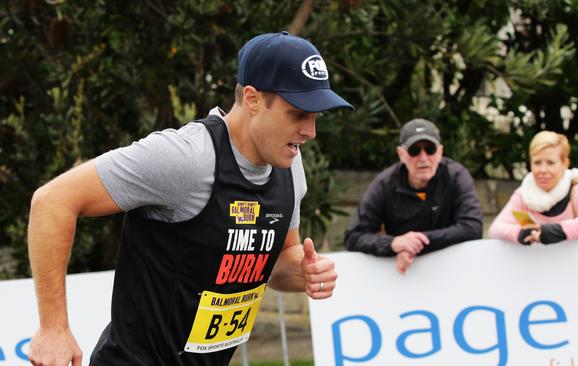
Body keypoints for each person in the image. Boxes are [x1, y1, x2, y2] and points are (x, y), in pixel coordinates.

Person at [27, 31, 353, 366]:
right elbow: (52, 201)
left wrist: (303, 272)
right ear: (253, 99)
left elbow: (280, 258)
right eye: (298, 114)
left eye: (317, 116)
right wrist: (53, 328)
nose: (311, 131)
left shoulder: (288, 162)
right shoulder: (187, 158)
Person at [344, 118, 483, 274]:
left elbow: (473, 228)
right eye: (414, 151)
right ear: (401, 154)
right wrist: (393, 243)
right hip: (401, 275)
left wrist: (415, 244)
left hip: (452, 271)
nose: (423, 158)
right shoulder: (385, 183)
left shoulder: (456, 175)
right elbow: (353, 237)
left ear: (440, 152)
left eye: (429, 149)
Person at [488, 131, 578, 245]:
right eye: (537, 162)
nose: (543, 170)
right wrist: (521, 233)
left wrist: (560, 230)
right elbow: (495, 229)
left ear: (564, 164)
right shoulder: (524, 194)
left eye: (550, 162)